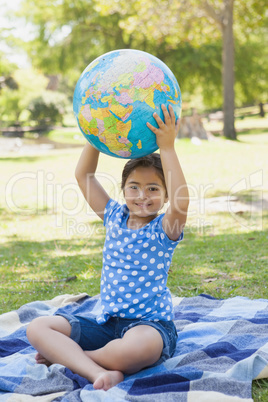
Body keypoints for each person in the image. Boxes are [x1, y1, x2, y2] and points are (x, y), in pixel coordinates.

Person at [27, 104, 189, 391]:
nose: (142, 196)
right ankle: (97, 370)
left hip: (148, 327)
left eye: (153, 188)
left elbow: (181, 202)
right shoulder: (114, 216)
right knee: (37, 328)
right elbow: (84, 176)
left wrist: (167, 146)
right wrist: (95, 135)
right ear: (123, 189)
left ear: (164, 195)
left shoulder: (165, 229)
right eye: (134, 187)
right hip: (105, 325)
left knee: (138, 349)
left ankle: (74, 359)